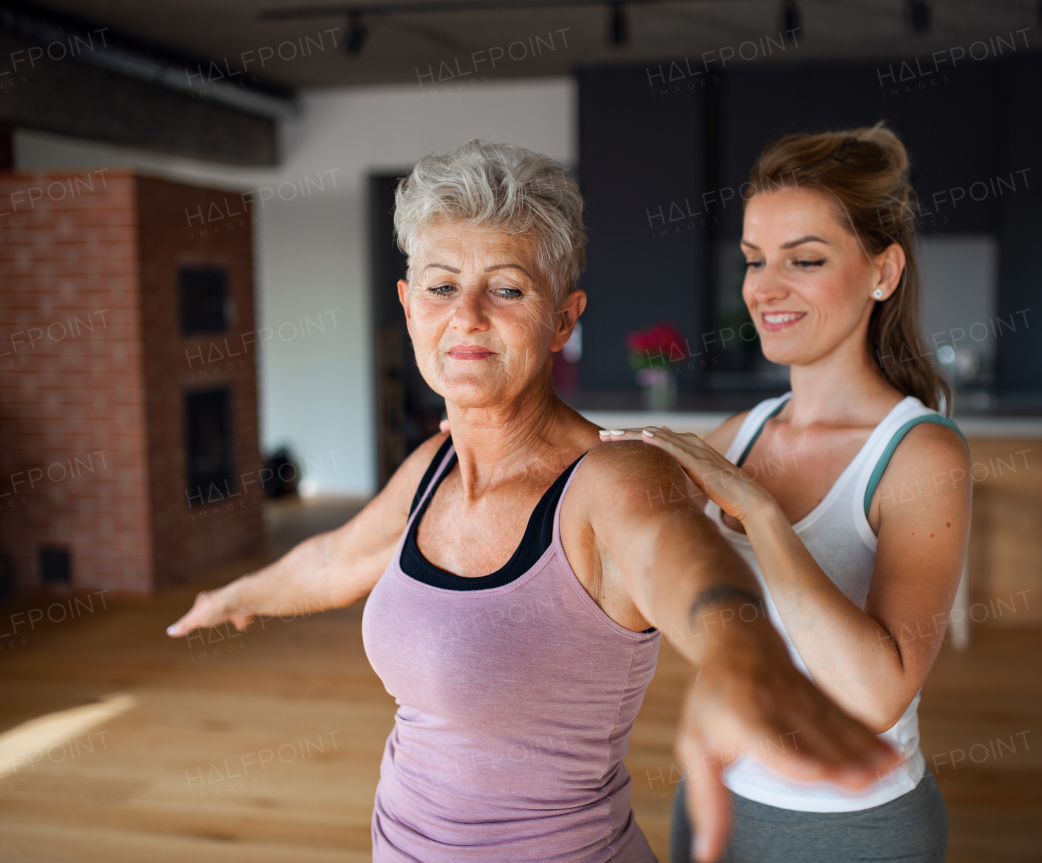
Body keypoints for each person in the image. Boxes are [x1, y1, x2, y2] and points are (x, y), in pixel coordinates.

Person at [167, 139, 899, 863]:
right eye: (441, 285)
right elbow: (337, 558)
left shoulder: (611, 477)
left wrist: (741, 655)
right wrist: (239, 593)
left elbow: (677, 556)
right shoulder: (433, 466)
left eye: (507, 288)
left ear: (563, 318)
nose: (467, 316)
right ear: (408, 304)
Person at [602, 125, 971, 863]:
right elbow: (627, 546)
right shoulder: (744, 431)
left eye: (804, 260)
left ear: (883, 271)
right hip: (717, 806)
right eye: (753, 260)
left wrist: (761, 512)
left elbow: (877, 693)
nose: (764, 288)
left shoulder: (918, 453)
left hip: (856, 830)